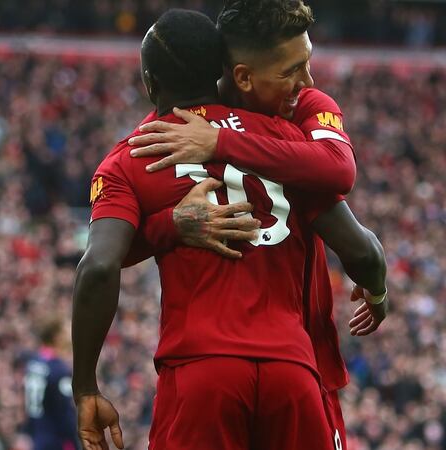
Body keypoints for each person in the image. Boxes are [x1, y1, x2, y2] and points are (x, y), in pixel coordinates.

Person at [71, 9, 386, 450]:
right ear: (226, 73)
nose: (308, 82)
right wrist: (377, 292)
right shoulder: (285, 139)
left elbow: (100, 266)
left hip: (201, 374)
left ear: (149, 82)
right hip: (293, 371)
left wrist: (85, 386)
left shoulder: (131, 158)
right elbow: (361, 249)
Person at [24, 317, 79, 450]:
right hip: (55, 440)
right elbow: (65, 412)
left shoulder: (34, 363)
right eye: (66, 330)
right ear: (57, 336)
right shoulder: (58, 369)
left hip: (37, 435)